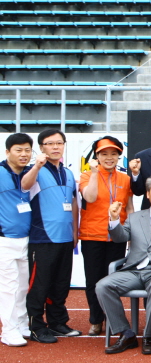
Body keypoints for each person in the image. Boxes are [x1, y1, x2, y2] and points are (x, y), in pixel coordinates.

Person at [97, 175, 151, 355]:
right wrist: (114, 219)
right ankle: (126, 333)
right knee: (102, 286)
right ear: (147, 194)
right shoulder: (135, 217)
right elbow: (119, 238)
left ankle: (148, 335)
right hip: (133, 270)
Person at [20, 129, 80, 343]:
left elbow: (73, 203)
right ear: (41, 147)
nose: (55, 147)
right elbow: (24, 185)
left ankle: (57, 323)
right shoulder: (34, 171)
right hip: (42, 238)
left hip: (65, 238)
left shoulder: (69, 173)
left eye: (59, 143)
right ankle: (36, 326)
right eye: (50, 143)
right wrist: (36, 165)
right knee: (39, 284)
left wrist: (75, 231)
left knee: (61, 284)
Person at [78, 136, 134, 336]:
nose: (109, 158)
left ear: (119, 156)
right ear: (97, 156)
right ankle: (95, 319)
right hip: (92, 236)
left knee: (112, 281)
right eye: (104, 154)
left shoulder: (125, 178)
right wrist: (94, 173)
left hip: (117, 237)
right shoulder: (86, 176)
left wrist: (132, 234)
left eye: (113, 154)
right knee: (93, 280)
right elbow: (90, 197)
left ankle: (112, 318)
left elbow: (129, 207)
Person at [0, 134, 34, 347]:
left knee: (22, 286)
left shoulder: (30, 173)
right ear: (7, 152)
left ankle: (21, 324)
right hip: (5, 240)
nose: (24, 154)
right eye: (18, 150)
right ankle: (8, 331)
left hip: (26, 239)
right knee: (9, 288)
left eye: (27, 150)